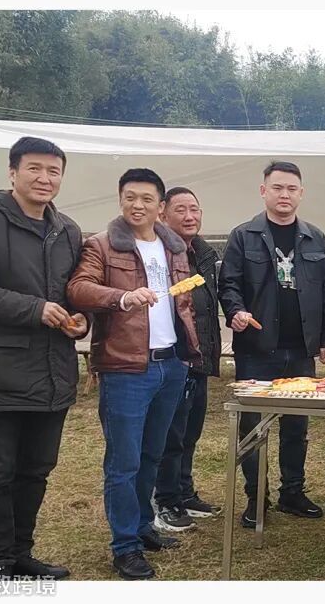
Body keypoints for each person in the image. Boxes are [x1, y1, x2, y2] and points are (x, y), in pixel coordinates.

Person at [0, 136, 87, 581]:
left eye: (53, 171)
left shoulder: (67, 230)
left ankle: (22, 552)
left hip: (52, 372)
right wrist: (35, 309)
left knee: (36, 470)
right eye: (34, 168)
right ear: (12, 172)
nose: (45, 178)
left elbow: (70, 293)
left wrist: (79, 320)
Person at [67, 168, 201, 580]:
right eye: (130, 197)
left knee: (152, 454)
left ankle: (143, 526)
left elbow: (182, 306)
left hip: (170, 365)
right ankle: (124, 545)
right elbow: (78, 288)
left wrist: (187, 353)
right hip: (125, 367)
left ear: (160, 206)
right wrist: (122, 297)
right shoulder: (102, 245)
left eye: (146, 198)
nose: (137, 205)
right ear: (120, 200)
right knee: (123, 462)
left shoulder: (174, 248)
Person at [218, 161, 325, 529]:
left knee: (296, 426)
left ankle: (292, 492)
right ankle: (257, 497)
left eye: (291, 189)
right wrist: (235, 311)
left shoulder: (315, 238)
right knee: (253, 427)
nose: (284, 195)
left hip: (301, 350)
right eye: (277, 188)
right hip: (256, 349)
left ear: (301, 193)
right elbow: (229, 283)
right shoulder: (244, 236)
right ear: (263, 191)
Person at [153, 187, 223, 532]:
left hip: (200, 358)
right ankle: (164, 500)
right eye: (180, 209)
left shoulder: (204, 253)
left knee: (190, 431)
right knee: (171, 434)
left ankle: (184, 491)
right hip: (174, 359)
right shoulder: (158, 253)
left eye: (194, 209)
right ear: (163, 213)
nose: (189, 216)